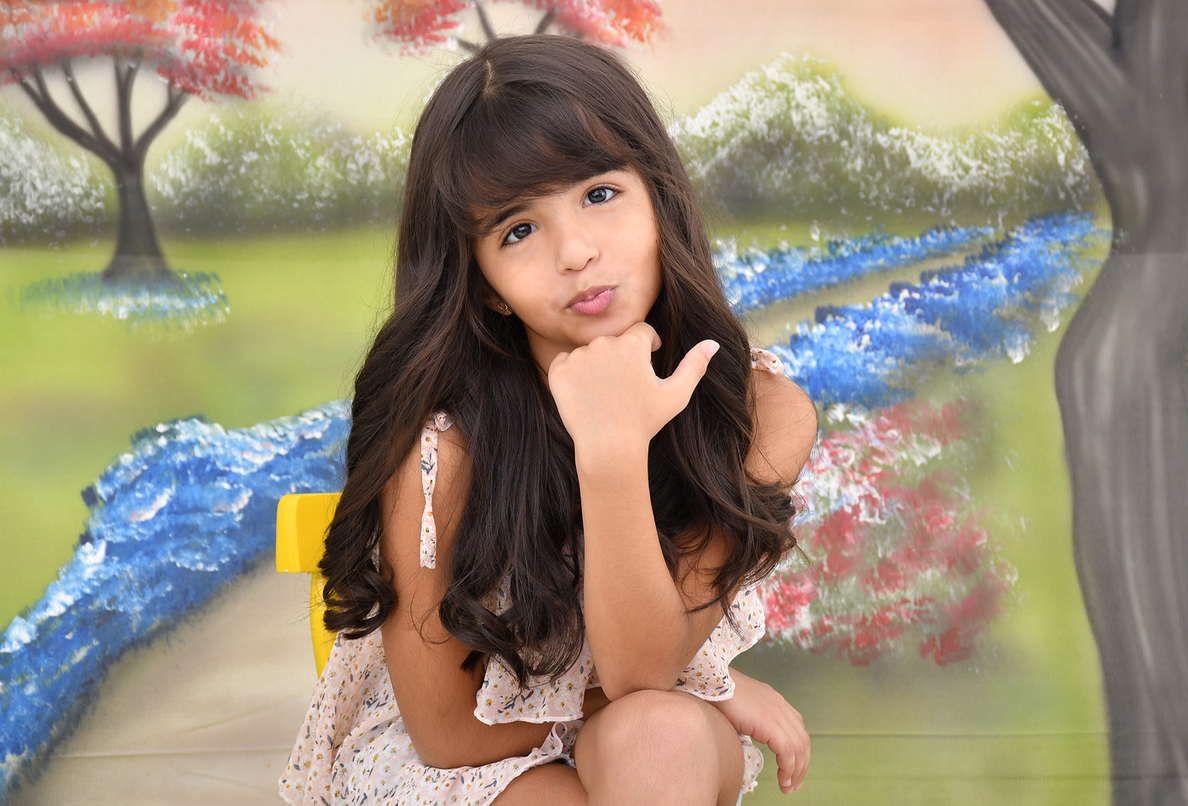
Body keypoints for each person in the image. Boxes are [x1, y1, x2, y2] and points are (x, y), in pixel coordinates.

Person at [280, 34, 818, 806]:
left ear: (660, 197)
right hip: (459, 762)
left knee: (659, 736)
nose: (575, 252)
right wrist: (714, 687)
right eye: (518, 231)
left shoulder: (758, 412)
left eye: (599, 194)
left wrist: (611, 450)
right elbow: (447, 733)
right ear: (486, 284)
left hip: (637, 722)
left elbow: (641, 675)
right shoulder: (445, 444)